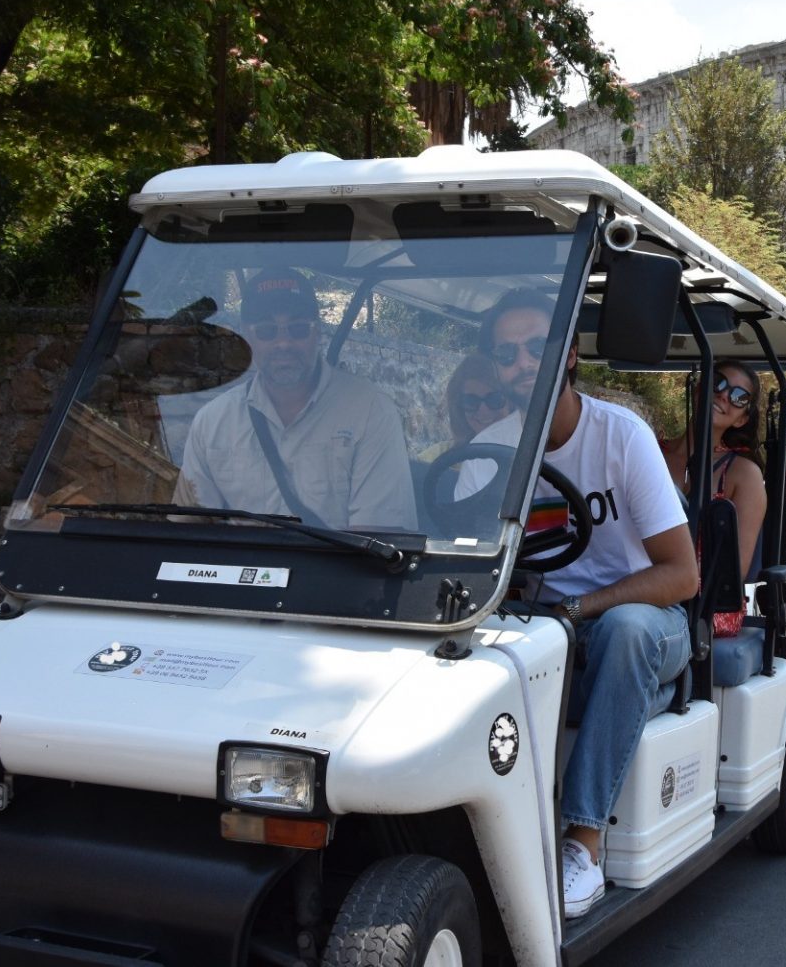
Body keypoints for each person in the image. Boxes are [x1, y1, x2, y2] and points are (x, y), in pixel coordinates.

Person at [455, 290, 696, 919]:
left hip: (642, 622)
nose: (522, 363)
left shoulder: (622, 436)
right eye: (507, 354)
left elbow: (682, 574)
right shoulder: (489, 452)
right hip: (541, 631)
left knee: (626, 632)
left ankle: (581, 844)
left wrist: (580, 608)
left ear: (570, 351)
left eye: (538, 346)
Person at [175, 268, 416, 531]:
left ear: (317, 332)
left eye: (298, 330)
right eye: (268, 331)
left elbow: (378, 536)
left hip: (333, 570)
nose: (283, 343)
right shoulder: (212, 421)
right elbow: (188, 528)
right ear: (247, 336)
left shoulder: (371, 412)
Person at [659, 360, 767, 636]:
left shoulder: (743, 474)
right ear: (698, 390)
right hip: (640, 586)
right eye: (717, 383)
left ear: (742, 418)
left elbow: (733, 572)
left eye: (738, 396)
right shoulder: (650, 451)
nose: (723, 395)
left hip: (706, 608)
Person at [418, 353, 507, 463]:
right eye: (471, 401)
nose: (483, 410)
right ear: (459, 407)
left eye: (494, 399)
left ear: (511, 402)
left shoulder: (530, 459)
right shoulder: (436, 457)